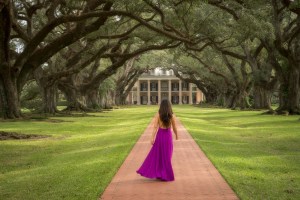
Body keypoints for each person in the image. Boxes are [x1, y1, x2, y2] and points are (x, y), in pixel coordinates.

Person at [136, 99, 178, 181]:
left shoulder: (158, 115)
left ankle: (160, 173)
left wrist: (152, 137)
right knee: (167, 155)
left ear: (161, 106)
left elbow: (155, 127)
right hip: (168, 136)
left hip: (160, 136)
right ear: (169, 106)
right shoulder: (172, 115)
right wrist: (177, 135)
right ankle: (165, 174)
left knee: (159, 155)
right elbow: (174, 127)